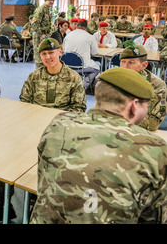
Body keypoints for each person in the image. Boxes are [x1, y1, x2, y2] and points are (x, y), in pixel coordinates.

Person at [30, 67, 167, 224]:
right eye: (146, 104)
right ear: (134, 106)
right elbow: (155, 216)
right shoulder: (156, 148)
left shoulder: (59, 123)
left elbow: (44, 181)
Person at [0, 38, 86, 224]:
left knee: (48, 167)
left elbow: (79, 109)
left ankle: (36, 205)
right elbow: (24, 102)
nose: (48, 57)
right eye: (44, 54)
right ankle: (3, 204)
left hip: (60, 131)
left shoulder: (73, 78)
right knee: (10, 159)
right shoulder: (35, 76)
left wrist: (54, 120)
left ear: (60, 52)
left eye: (51, 53)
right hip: (31, 128)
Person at [120, 42, 166, 131]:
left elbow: (153, 123)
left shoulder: (157, 85)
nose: (125, 67)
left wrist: (120, 119)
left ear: (144, 65)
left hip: (141, 133)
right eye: (122, 62)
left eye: (131, 62)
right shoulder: (113, 80)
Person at [63, 19, 100, 89]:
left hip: (67, 65)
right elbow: (96, 53)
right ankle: (83, 85)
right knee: (97, 68)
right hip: (82, 66)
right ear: (86, 27)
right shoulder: (90, 37)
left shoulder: (68, 35)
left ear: (77, 26)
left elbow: (64, 51)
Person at [32, 0, 55, 68]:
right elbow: (34, 24)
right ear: (45, 0)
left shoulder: (47, 10)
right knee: (39, 59)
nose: (52, 1)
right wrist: (41, 35)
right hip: (39, 37)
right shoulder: (41, 10)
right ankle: (38, 77)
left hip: (44, 36)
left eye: (53, 0)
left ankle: (42, 76)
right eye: (50, 0)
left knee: (44, 57)